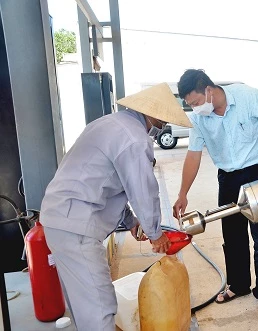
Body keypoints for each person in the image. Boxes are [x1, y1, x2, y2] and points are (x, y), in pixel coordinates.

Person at [39, 83, 191, 330]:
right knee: (100, 307)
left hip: (59, 219)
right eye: (163, 120)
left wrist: (131, 221)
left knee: (83, 304)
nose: (162, 126)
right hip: (77, 225)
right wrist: (156, 234)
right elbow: (143, 189)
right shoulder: (134, 139)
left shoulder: (109, 123)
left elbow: (106, 183)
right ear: (154, 114)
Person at [172, 69, 258, 314]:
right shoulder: (199, 119)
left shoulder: (247, 96)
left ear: (209, 90)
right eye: (190, 105)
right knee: (233, 235)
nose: (195, 109)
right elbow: (193, 155)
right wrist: (183, 193)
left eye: (196, 102)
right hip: (228, 178)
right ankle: (239, 284)